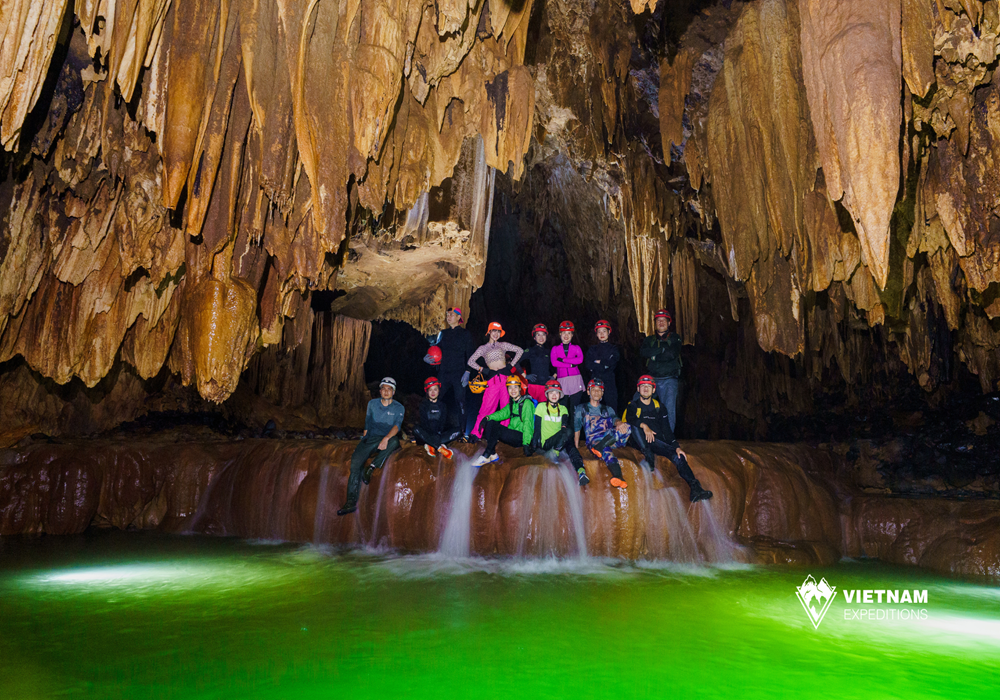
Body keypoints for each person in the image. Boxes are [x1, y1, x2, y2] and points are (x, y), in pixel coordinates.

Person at [624, 375, 712, 503]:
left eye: (649, 386)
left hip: (656, 441)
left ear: (654, 390)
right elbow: (630, 419)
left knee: (679, 457)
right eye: (643, 386)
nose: (646, 389)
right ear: (638, 389)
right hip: (638, 441)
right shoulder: (633, 405)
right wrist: (644, 426)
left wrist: (676, 447)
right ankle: (648, 455)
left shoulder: (660, 407)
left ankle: (695, 487)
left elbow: (666, 430)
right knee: (635, 426)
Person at [337, 377, 405, 515]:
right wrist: (364, 442)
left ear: (393, 392)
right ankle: (350, 501)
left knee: (394, 442)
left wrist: (386, 438)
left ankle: (371, 467)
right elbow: (367, 423)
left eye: (389, 389)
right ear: (380, 391)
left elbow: (397, 426)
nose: (386, 391)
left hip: (387, 438)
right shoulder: (372, 404)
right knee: (355, 464)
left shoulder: (399, 407)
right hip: (371, 439)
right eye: (384, 389)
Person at [468, 322, 524, 437]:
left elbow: (520, 350)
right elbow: (470, 361)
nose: (496, 334)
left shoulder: (503, 345)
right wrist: (482, 369)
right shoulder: (483, 348)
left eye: (498, 331)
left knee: (506, 407)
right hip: (492, 380)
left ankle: (504, 434)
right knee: (486, 408)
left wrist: (511, 365)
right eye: (494, 331)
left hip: (505, 379)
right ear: (489, 332)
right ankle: (476, 433)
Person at [425, 307, 474, 437]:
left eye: (452, 314)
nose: (448, 316)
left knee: (461, 401)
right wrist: (428, 358)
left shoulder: (465, 334)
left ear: (459, 317)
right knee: (435, 398)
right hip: (444, 372)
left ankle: (463, 432)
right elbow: (436, 350)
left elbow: (470, 354)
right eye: (447, 314)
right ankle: (433, 429)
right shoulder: (443, 333)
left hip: (459, 372)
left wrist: (468, 371)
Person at [531, 380, 589, 485]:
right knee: (567, 434)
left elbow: (564, 424)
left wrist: (565, 433)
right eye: (551, 392)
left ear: (560, 395)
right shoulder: (541, 407)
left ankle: (581, 471)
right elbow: (537, 428)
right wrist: (533, 445)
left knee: (570, 442)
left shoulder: (563, 409)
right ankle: (554, 453)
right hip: (548, 443)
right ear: (547, 394)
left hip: (561, 439)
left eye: (556, 392)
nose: (554, 395)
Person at [574, 378, 629, 489]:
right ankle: (618, 476)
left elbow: (615, 419)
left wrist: (619, 423)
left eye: (599, 390)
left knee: (627, 427)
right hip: (594, 441)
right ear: (588, 392)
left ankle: (601, 446)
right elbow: (577, 429)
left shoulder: (608, 409)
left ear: (602, 393)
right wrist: (576, 447)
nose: (596, 392)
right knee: (607, 452)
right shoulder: (581, 409)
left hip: (610, 439)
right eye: (593, 390)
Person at [472, 375, 536, 466]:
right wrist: (487, 418)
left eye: (515, 387)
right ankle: (493, 454)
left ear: (519, 388)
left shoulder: (527, 403)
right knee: (491, 422)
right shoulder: (512, 403)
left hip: (520, 437)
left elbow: (528, 424)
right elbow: (501, 414)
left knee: (497, 428)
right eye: (510, 388)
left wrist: (526, 444)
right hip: (512, 434)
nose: (513, 390)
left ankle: (486, 455)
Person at [639, 309, 683, 432]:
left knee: (668, 409)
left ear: (669, 323)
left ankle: (668, 440)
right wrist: (662, 350)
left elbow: (671, 354)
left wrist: (654, 355)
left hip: (669, 378)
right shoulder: (649, 340)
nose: (661, 323)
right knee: (638, 403)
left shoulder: (675, 338)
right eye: (658, 320)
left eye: (664, 320)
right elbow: (643, 352)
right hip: (651, 379)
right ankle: (639, 435)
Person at [413, 377, 460, 458]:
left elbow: (442, 423)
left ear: (439, 391)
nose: (433, 392)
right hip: (427, 435)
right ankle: (439, 447)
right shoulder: (423, 405)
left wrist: (437, 435)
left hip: (438, 436)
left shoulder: (443, 406)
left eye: (435, 389)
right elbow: (424, 423)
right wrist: (432, 436)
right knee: (416, 429)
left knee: (458, 430)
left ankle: (431, 445)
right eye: (430, 390)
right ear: (427, 391)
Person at [583, 320, 621, 412]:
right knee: (594, 407)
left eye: (604, 331)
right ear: (596, 334)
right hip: (595, 381)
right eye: (599, 332)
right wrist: (604, 365)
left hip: (609, 382)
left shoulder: (614, 348)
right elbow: (588, 364)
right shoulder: (592, 349)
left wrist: (598, 362)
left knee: (611, 407)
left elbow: (613, 362)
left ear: (609, 332)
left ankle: (612, 425)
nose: (602, 334)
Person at [550, 321, 585, 412]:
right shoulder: (555, 349)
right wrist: (570, 364)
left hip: (575, 379)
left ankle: (575, 426)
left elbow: (580, 360)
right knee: (562, 407)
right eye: (564, 332)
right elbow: (554, 362)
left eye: (569, 333)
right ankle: (563, 426)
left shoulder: (576, 347)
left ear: (572, 335)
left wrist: (564, 360)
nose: (566, 335)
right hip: (562, 380)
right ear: (560, 334)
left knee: (575, 408)